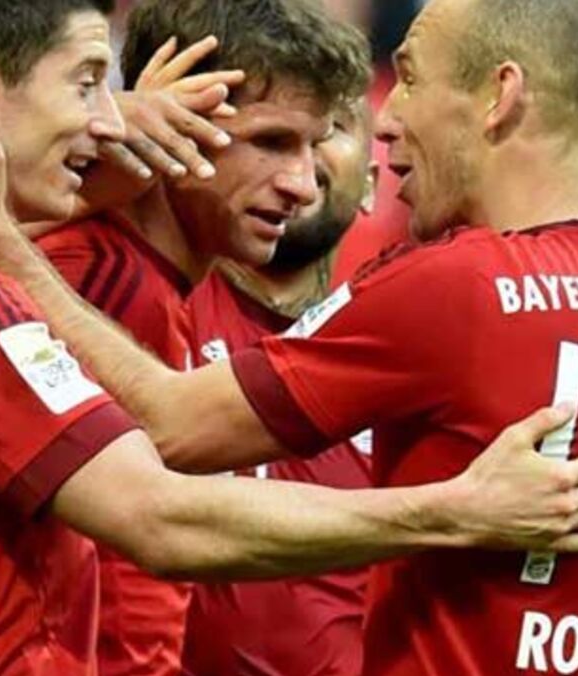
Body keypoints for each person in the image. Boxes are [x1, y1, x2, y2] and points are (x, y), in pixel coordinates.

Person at [0, 0, 578, 673]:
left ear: (499, 96)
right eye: (276, 141)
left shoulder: (449, 289)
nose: (389, 121)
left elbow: (174, 430)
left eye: (413, 80)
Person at [28, 3, 378, 672]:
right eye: (271, 142)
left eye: (316, 144)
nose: (301, 185)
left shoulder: (155, 288)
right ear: (180, 117)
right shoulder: (90, 282)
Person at [181, 98, 377, 676]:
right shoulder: (155, 302)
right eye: (276, 138)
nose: (301, 164)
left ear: (371, 183)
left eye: (330, 129)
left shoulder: (398, 353)